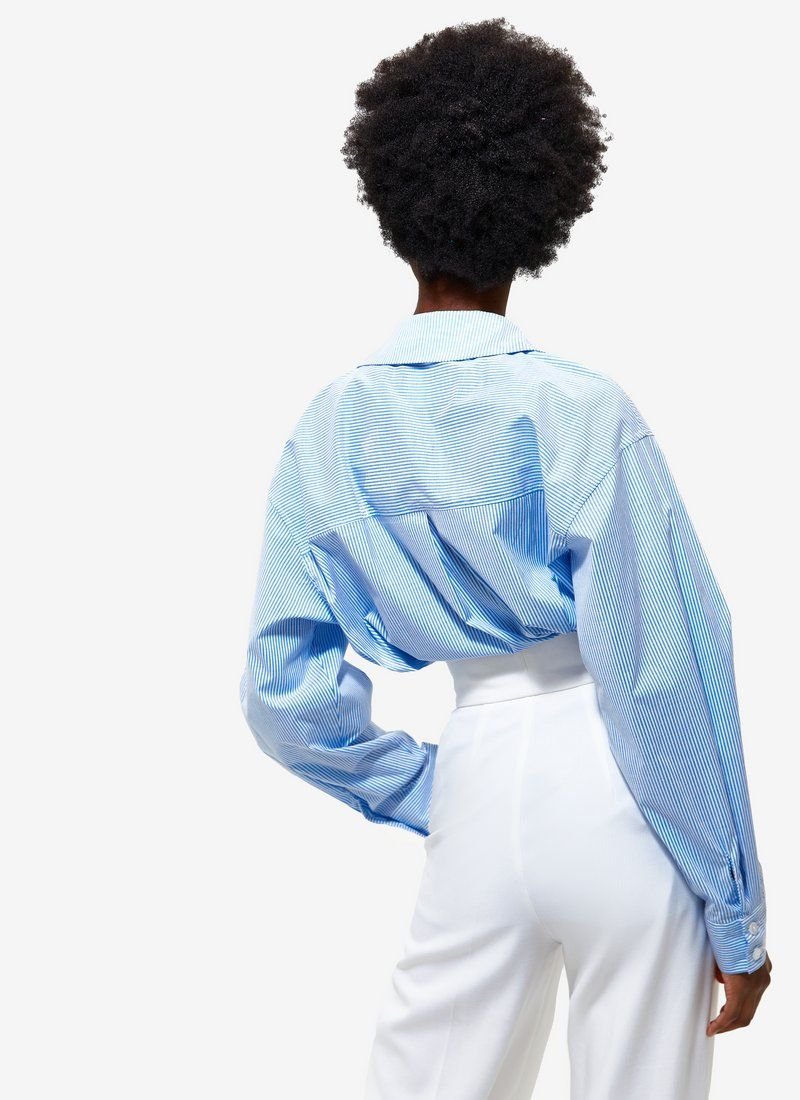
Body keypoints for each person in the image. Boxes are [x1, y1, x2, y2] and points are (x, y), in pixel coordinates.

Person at [238, 17, 771, 1099]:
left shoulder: (327, 429)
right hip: (621, 789)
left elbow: (281, 695)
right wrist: (737, 911)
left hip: (474, 774)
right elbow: (667, 670)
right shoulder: (580, 410)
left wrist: (424, 786)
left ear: (393, 212)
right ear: (543, 210)